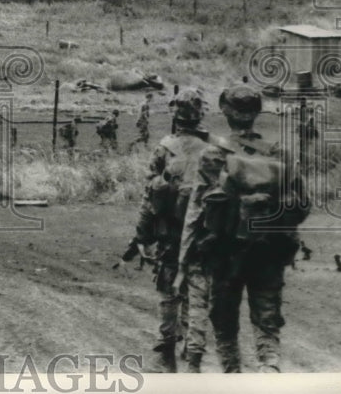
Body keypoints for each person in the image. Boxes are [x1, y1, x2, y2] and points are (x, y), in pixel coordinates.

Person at [179, 84, 308, 373]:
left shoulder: (212, 156)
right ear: (257, 112)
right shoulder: (280, 154)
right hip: (269, 252)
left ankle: (233, 374)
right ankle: (269, 366)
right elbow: (302, 205)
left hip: (224, 253)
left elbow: (197, 210)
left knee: (224, 323)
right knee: (267, 319)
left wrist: (185, 258)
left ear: (225, 111)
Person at [127, 88, 209, 372]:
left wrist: (141, 234)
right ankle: (194, 348)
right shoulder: (214, 150)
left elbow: (150, 195)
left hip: (171, 232)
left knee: (168, 289)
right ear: (200, 115)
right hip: (204, 233)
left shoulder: (165, 147)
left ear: (176, 115)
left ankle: (166, 344)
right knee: (198, 292)